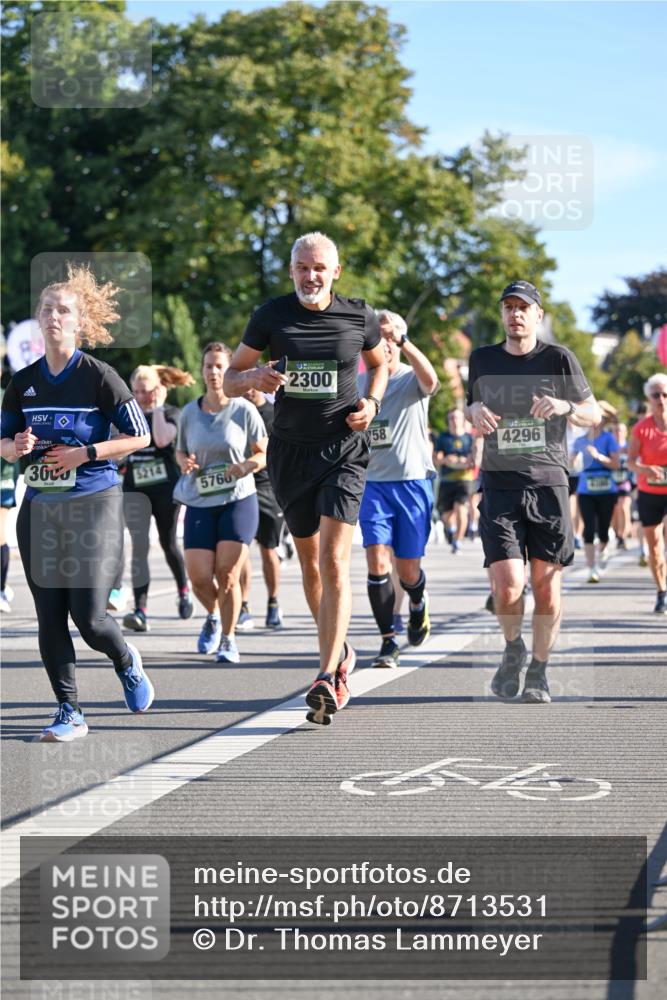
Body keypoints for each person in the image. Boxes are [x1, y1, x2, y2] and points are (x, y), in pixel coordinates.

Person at [224, 231, 387, 725]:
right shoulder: (270, 316)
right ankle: (341, 652)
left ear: (335, 272)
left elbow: (380, 364)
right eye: (302, 267)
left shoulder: (359, 316)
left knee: (335, 561)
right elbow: (230, 378)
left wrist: (372, 402)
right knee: (312, 567)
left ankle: (326, 675)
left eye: (319, 268)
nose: (310, 276)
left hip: (343, 451)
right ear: (291, 270)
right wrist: (252, 379)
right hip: (290, 455)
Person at [0, 263, 154, 740]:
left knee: (90, 619)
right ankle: (69, 710)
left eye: (63, 310)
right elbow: (3, 444)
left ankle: (125, 659)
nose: (53, 316)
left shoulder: (99, 376)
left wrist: (84, 453)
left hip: (94, 501)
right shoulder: (23, 382)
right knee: (49, 616)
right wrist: (15, 447)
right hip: (41, 506)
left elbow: (139, 436)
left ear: (79, 322)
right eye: (47, 309)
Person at [465, 280, 600, 705]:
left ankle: (539, 671)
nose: (515, 314)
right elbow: (471, 406)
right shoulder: (482, 359)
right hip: (500, 483)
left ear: (538, 315)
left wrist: (566, 407)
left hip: (548, 484)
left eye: (523, 307)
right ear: (502, 314)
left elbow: (593, 412)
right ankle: (513, 649)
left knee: (546, 587)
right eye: (508, 307)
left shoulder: (559, 358)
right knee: (508, 587)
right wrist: (472, 409)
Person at [174, 342, 268, 662]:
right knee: (199, 577)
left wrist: (245, 466)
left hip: (237, 499)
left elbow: (264, 453)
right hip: (200, 499)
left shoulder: (244, 410)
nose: (213, 372)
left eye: (219, 366)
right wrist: (184, 462)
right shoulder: (189, 412)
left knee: (227, 575)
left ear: (229, 371)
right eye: (208, 366)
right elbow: (180, 450)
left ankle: (228, 639)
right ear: (202, 371)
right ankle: (214, 616)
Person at [359, 309, 439, 667]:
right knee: (377, 559)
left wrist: (403, 339)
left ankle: (418, 602)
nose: (385, 344)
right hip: (373, 485)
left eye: (390, 338)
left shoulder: (410, 378)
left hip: (412, 484)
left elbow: (432, 381)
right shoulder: (361, 384)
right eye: (379, 338)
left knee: (407, 570)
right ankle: (388, 640)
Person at [121, 364, 195, 632]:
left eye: (146, 391)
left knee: (168, 542)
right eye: (136, 392)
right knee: (139, 547)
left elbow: (162, 440)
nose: (141, 397)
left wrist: (158, 408)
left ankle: (183, 589)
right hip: (135, 489)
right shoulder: (127, 415)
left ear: (158, 389)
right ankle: (140, 610)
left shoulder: (172, 413)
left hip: (165, 489)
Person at [237, 385, 285, 630]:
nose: (248, 392)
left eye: (252, 387)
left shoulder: (274, 413)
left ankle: (273, 602)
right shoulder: (236, 411)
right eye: (243, 387)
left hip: (268, 486)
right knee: (241, 549)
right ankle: (243, 606)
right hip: (240, 485)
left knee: (268, 550)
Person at [627, 373, 667, 614]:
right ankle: (661, 591)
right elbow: (630, 462)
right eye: (656, 395)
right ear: (649, 399)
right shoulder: (641, 428)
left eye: (665, 394)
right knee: (654, 547)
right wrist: (645, 469)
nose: (661, 399)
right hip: (649, 492)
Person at [571, 402, 620, 583]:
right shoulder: (580, 440)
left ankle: (605, 547)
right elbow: (570, 463)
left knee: (604, 529)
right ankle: (592, 568)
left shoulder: (609, 439)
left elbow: (616, 464)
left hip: (606, 488)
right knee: (589, 529)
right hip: (586, 489)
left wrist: (598, 456)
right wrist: (572, 461)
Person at [434, 409, 476, 553]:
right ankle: (451, 530)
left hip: (465, 479)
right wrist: (446, 460)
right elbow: (436, 459)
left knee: (461, 509)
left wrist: (466, 461)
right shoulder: (443, 438)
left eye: (457, 417)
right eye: (451, 418)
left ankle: (457, 542)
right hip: (447, 479)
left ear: (463, 420)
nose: (454, 420)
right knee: (446, 515)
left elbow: (475, 459)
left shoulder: (469, 438)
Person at [610, 420, 634, 549]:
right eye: (616, 430)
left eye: (621, 430)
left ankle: (623, 536)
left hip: (626, 483)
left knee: (624, 507)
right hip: (611, 484)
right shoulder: (609, 447)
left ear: (625, 433)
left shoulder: (630, 447)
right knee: (614, 511)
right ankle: (618, 535)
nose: (618, 433)